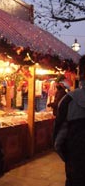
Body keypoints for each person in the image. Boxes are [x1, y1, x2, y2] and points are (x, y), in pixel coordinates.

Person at [53, 55, 85, 186]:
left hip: (76, 166)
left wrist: (70, 159)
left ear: (80, 73)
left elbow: (58, 143)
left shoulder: (68, 100)